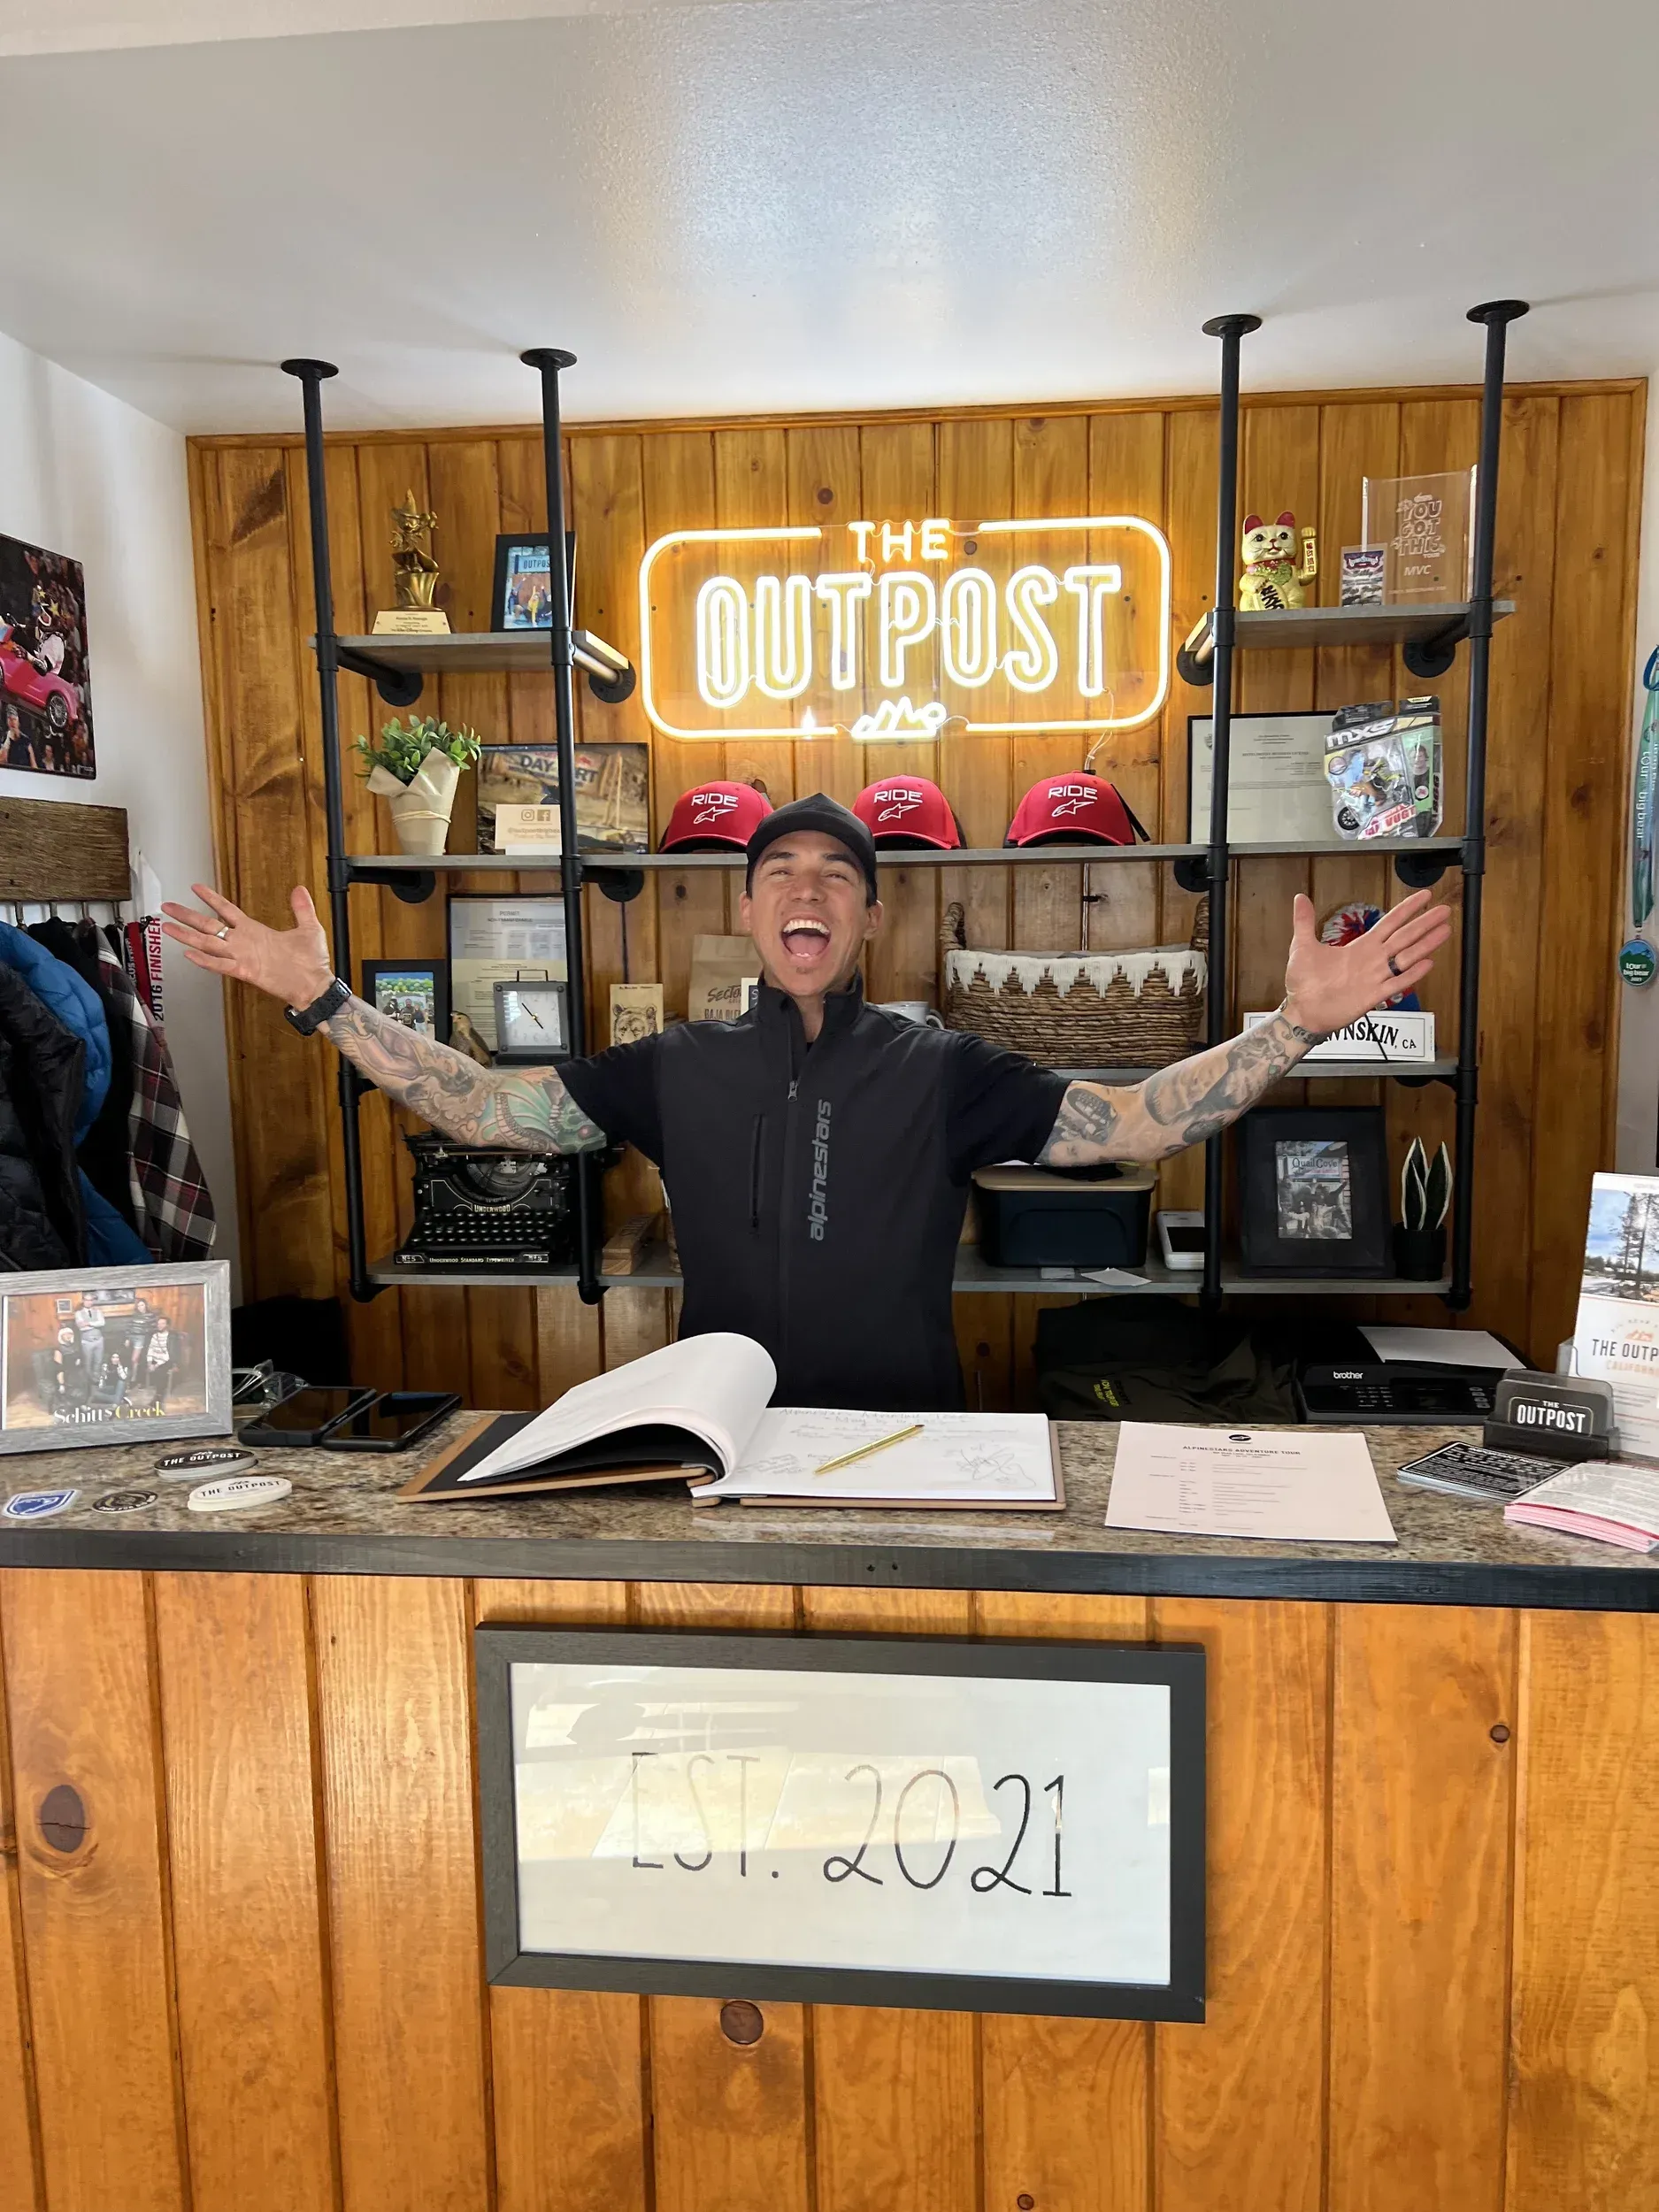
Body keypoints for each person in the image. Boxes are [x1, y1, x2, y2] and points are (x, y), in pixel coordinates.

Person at [163, 794, 1449, 1409]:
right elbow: (486, 1110)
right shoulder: (673, 1067)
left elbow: (1130, 1123)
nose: (810, 890)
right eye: (784, 870)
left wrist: (1292, 1027)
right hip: (724, 1440)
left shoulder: (942, 1066)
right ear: (749, 908)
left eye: (839, 876)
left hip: (916, 1444)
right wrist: (326, 1002)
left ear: (868, 916)